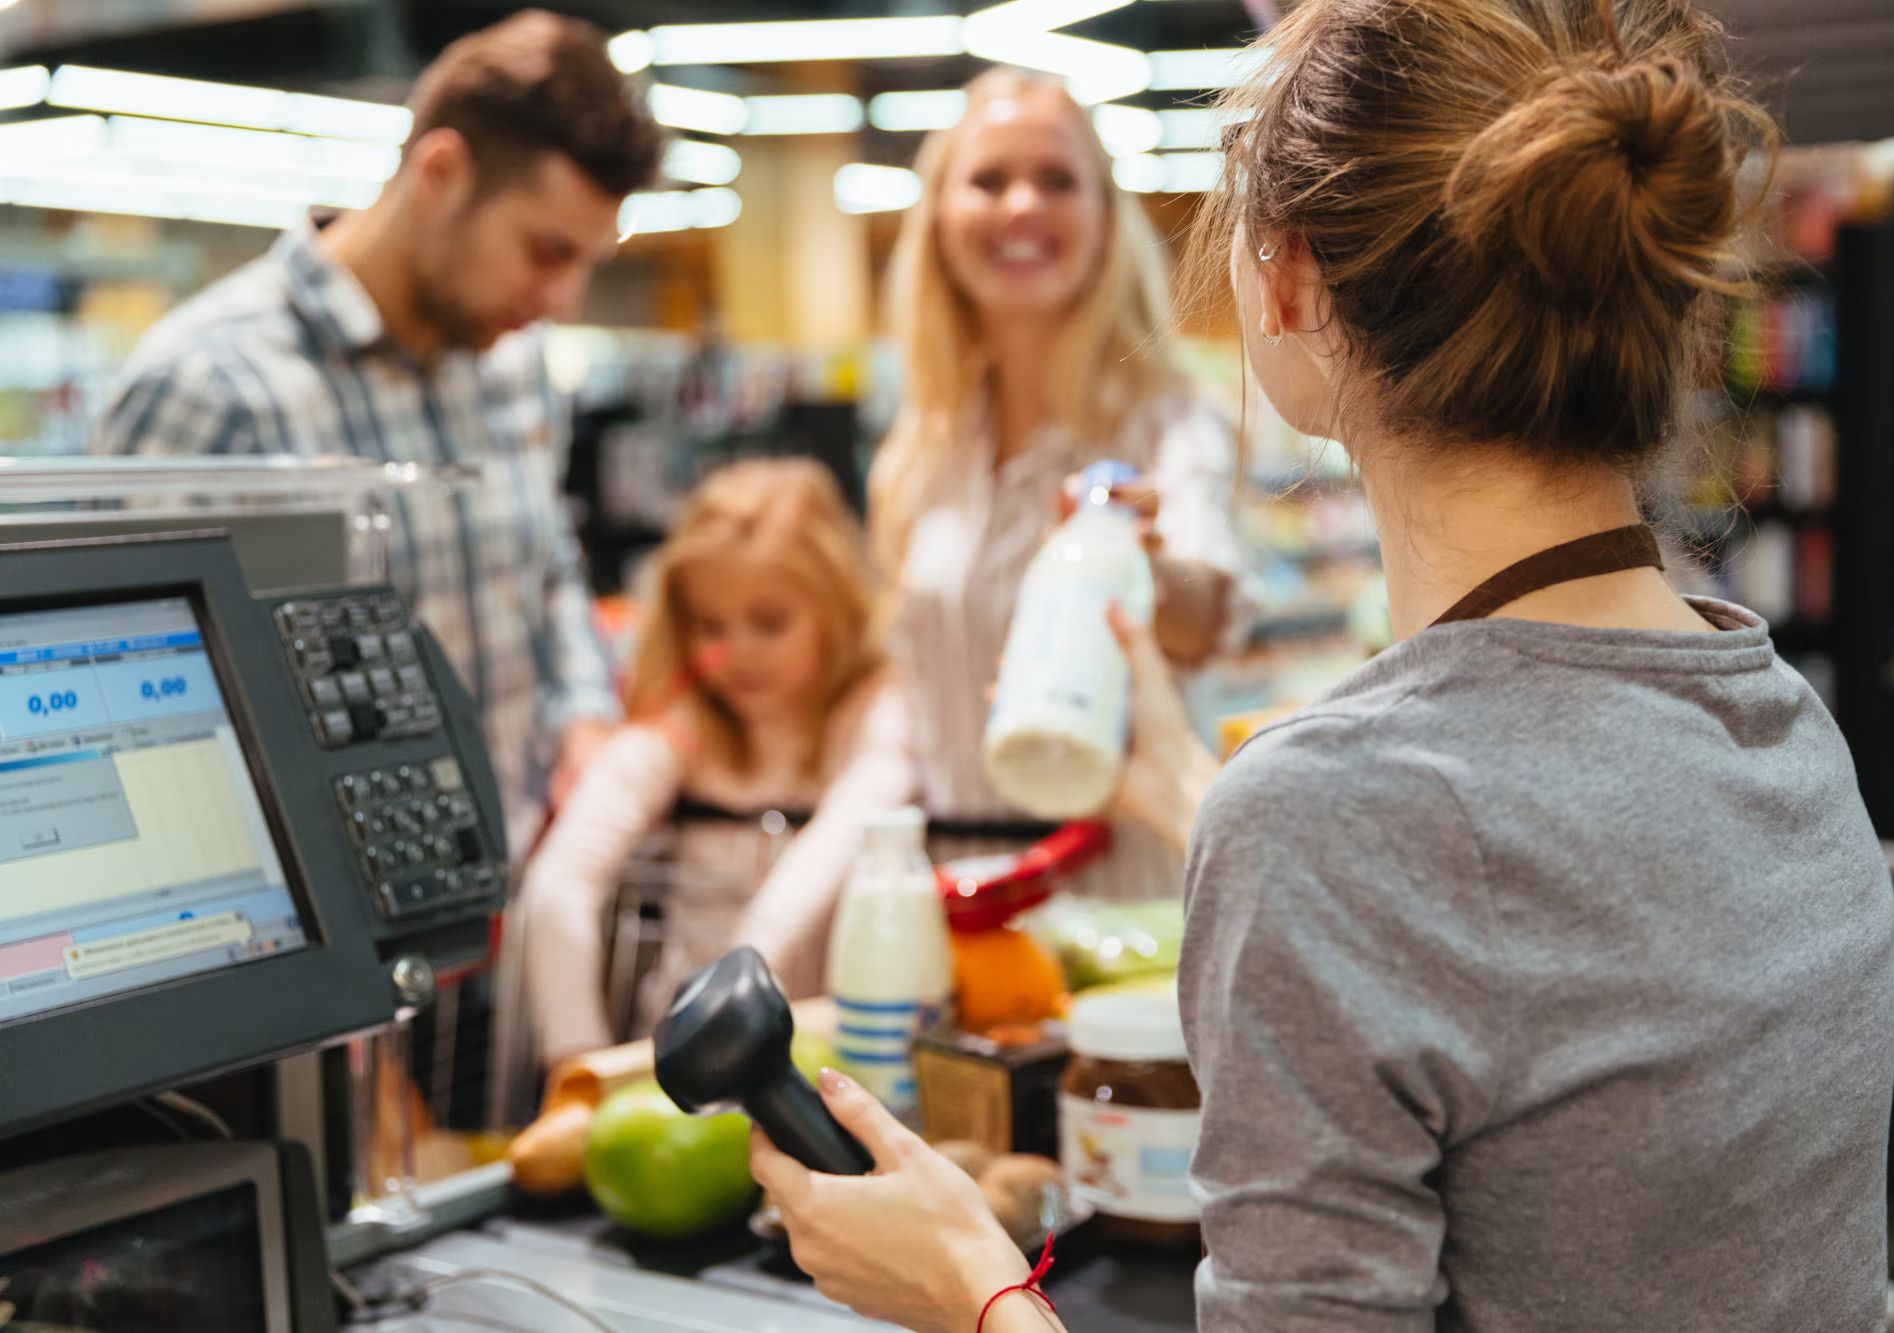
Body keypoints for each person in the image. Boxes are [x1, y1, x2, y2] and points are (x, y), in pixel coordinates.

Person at [750, 1, 1894, 1330]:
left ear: (1290, 283)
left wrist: (968, 1284)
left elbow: (1414, 878)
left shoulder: (1337, 813)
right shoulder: (1783, 724)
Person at [91, 10, 662, 850]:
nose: (562, 300)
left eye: (585, 262)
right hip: (330, 938)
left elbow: (548, 570)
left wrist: (582, 717)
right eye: (545, 251)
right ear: (441, 170)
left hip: (520, 896)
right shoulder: (208, 386)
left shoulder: (514, 363)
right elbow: (116, 697)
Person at [869, 68, 1252, 903]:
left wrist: (1143, 567)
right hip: (959, 898)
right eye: (988, 180)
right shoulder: (920, 450)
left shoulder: (1171, 421)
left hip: (1123, 896)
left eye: (1056, 181)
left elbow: (1208, 614)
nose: (1020, 207)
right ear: (937, 218)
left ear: (1108, 220)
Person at [518, 459, 911, 1066]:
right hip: (682, 1062)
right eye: (710, 624)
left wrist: (744, 975)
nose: (737, 652)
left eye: (769, 622)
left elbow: (858, 816)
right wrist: (576, 1059)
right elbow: (559, 885)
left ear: (835, 606)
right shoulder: (683, 727)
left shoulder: (875, 711)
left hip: (833, 1057)